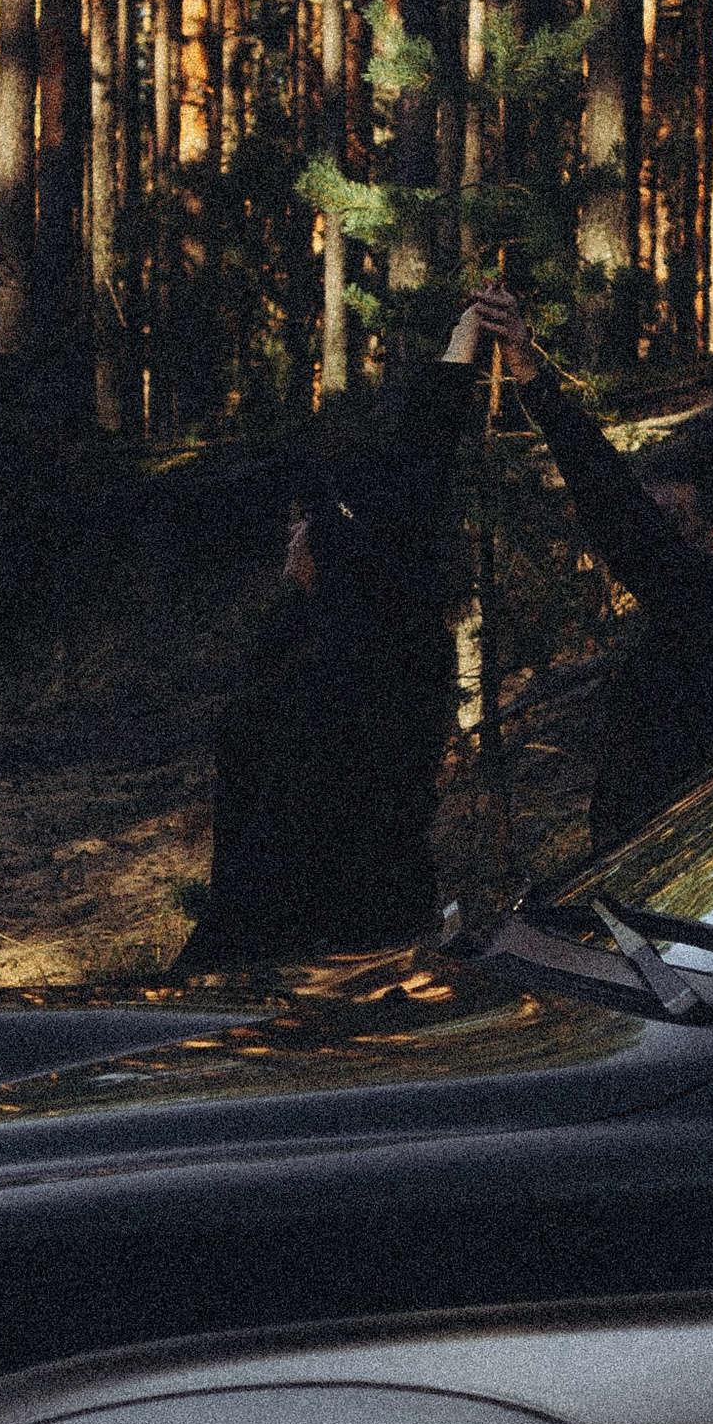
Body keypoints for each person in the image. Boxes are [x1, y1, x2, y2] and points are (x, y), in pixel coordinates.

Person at [175, 304, 491, 971]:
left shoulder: (356, 663)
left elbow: (411, 490)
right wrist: (459, 349)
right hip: (305, 933)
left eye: (301, 524)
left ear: (332, 543)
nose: (290, 538)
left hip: (326, 953)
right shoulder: (329, 632)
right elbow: (418, 473)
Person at [467, 288, 713, 856]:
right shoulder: (690, 619)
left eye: (666, 519)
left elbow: (615, 510)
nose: (648, 531)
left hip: (686, 873)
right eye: (649, 513)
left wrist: (532, 375)